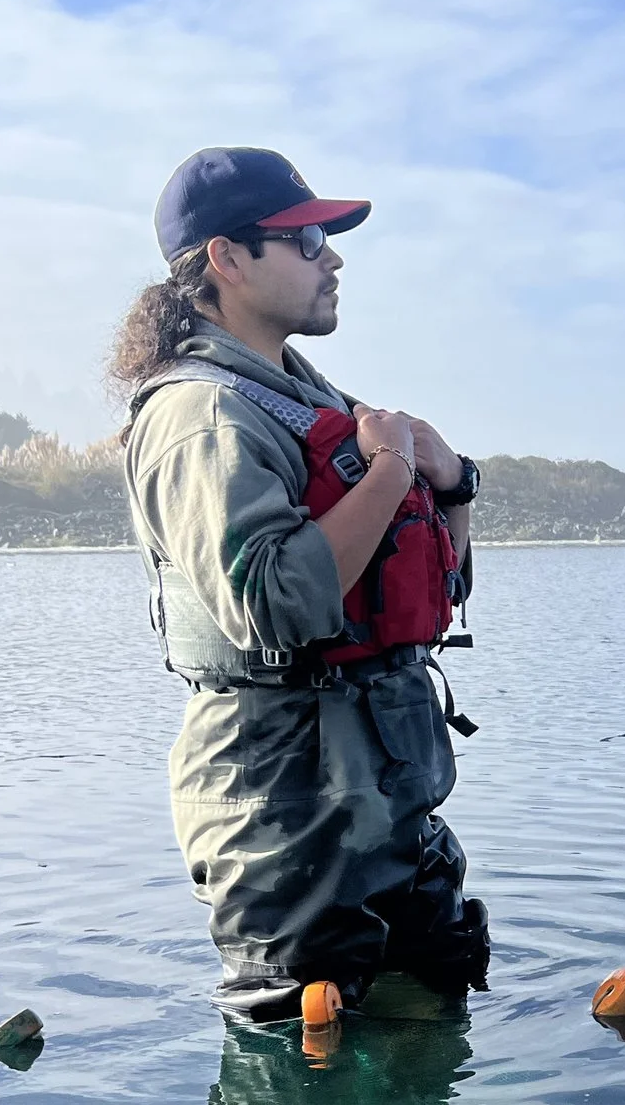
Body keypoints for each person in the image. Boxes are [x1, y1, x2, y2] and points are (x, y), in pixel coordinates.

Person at [111, 146, 490, 1021]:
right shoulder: (200, 417)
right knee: (302, 1101)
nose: (334, 258)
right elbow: (275, 604)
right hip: (287, 823)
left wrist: (453, 483)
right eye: (309, 238)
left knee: (429, 1042)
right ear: (227, 259)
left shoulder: (304, 395)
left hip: (389, 800)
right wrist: (393, 468)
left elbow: (440, 585)